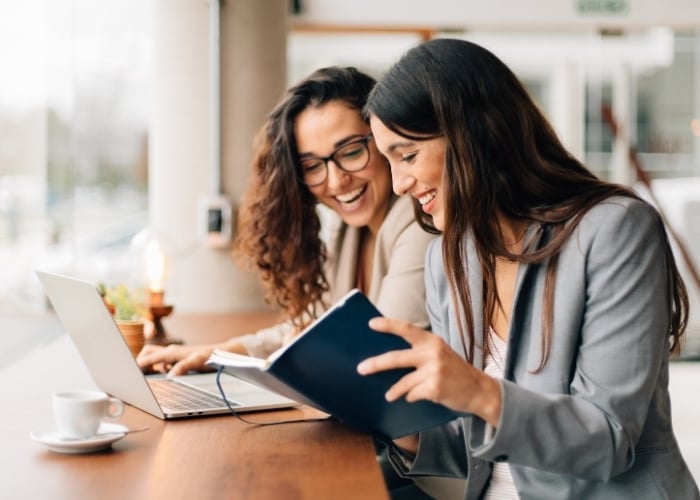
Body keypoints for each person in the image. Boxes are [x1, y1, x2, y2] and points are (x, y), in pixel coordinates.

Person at [358, 38, 700, 499]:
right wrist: (392, 420)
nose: (399, 184)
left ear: (471, 133)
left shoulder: (615, 230)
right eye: (389, 161)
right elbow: (468, 445)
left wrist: (479, 392)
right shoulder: (447, 259)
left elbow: (609, 438)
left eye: (408, 155)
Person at [137, 66, 446, 498]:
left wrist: (269, 367)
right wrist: (221, 353)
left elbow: (366, 359)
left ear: (383, 138)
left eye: (352, 151)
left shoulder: (417, 224)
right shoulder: (350, 231)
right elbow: (310, 327)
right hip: (379, 454)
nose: (336, 181)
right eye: (312, 165)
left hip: (423, 474)